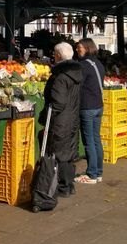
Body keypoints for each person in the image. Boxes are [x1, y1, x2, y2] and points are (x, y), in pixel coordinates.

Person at [39, 42, 83, 197]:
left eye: (54, 54)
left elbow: (58, 102)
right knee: (69, 152)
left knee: (60, 153)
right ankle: (68, 185)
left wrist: (45, 116)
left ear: (58, 55)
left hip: (61, 120)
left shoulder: (60, 77)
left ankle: (63, 187)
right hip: (72, 117)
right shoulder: (76, 73)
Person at [74, 38, 104, 184]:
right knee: (96, 139)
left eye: (79, 48)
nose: (77, 50)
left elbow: (77, 85)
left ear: (86, 48)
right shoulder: (97, 63)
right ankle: (98, 172)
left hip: (87, 107)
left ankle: (91, 174)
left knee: (89, 141)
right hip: (98, 105)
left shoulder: (83, 65)